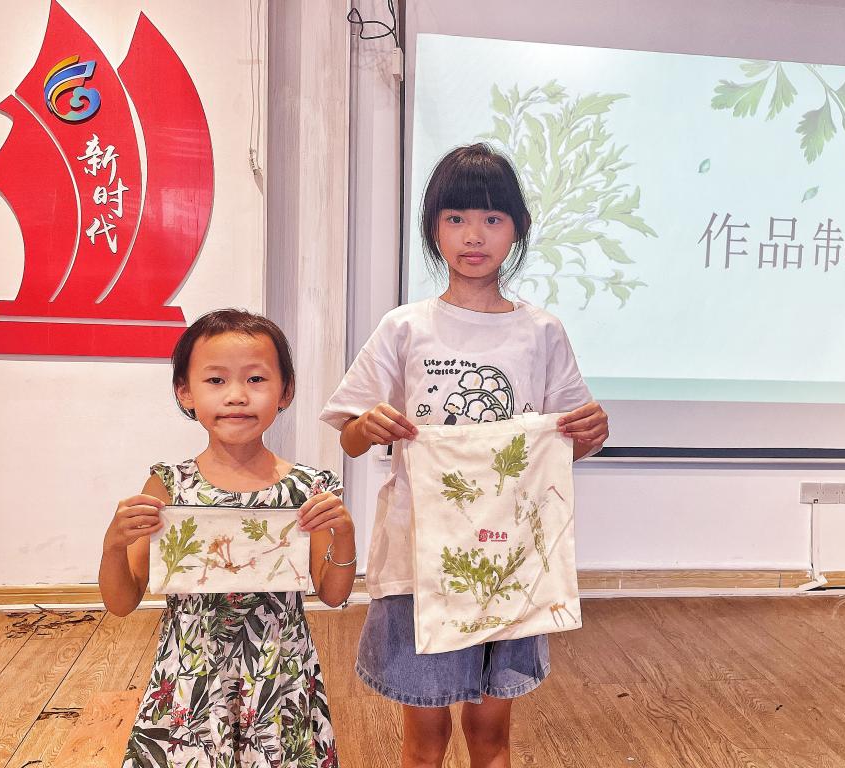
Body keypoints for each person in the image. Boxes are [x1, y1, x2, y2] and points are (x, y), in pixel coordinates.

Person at [320, 143, 609, 768]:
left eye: (491, 219)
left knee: (491, 735)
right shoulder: (405, 327)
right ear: (433, 229)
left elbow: (568, 444)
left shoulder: (542, 333)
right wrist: (367, 425)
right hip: (419, 559)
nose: (473, 236)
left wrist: (590, 431)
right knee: (424, 741)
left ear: (518, 229)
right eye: (455, 218)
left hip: (509, 562)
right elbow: (349, 436)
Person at [100, 309, 355, 767]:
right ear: (185, 392)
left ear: (286, 391)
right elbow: (122, 601)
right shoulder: (169, 485)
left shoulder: (308, 488)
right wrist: (113, 544)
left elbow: (333, 594)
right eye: (216, 380)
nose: (237, 396)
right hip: (189, 679)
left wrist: (345, 534)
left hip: (279, 677)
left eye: (256, 379)